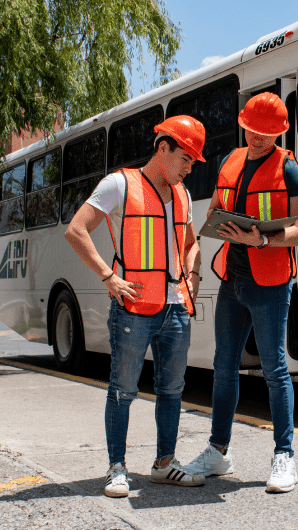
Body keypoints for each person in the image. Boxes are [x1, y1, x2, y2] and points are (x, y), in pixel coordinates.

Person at [65, 115, 206, 497]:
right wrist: (108, 277)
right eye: (186, 159)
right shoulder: (120, 184)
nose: (189, 168)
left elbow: (191, 244)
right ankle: (116, 468)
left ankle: (164, 464)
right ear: (164, 148)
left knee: (173, 389)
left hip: (176, 307)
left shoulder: (182, 195)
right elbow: (76, 230)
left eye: (194, 162)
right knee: (123, 389)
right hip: (133, 309)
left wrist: (192, 275)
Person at [185, 92, 298, 493]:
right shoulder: (230, 162)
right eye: (253, 129)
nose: (258, 137)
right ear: (244, 125)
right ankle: (219, 451)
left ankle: (284, 456)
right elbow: (217, 206)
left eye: (267, 133)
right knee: (224, 365)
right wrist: (215, 221)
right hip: (232, 279)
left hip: (270, 281)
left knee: (274, 369)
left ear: (280, 132)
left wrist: (261, 242)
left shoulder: (290, 171)